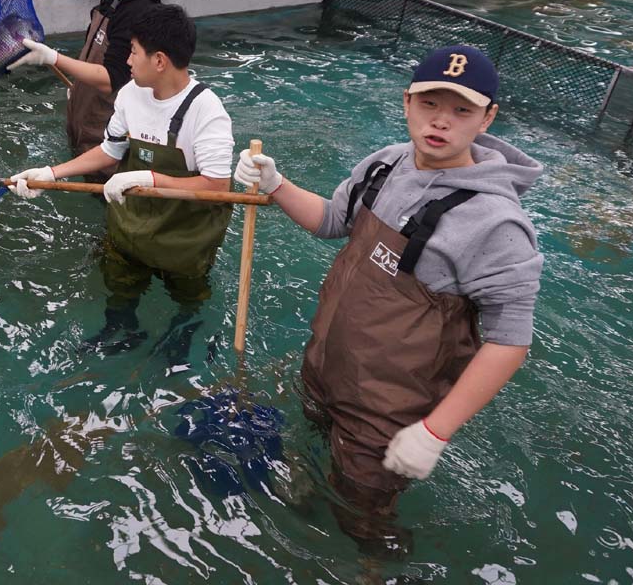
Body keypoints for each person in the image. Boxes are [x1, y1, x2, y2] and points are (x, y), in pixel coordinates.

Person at [233, 45, 543, 544]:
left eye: (462, 110)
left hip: (388, 412)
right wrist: (276, 184)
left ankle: (375, 568)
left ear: (488, 118)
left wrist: (435, 431)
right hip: (326, 367)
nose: (441, 121)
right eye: (429, 104)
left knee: (363, 516)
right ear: (406, 103)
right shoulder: (384, 165)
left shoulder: (496, 223)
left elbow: (509, 341)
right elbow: (333, 221)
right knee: (311, 443)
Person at [11, 4, 234, 368]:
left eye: (133, 51)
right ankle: (122, 327)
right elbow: (110, 151)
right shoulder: (131, 93)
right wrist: (52, 173)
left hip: (184, 237)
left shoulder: (206, 111)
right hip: (131, 227)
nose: (127, 61)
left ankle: (183, 332)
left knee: (187, 294)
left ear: (159, 60)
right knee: (119, 280)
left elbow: (218, 186)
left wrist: (149, 177)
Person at [7, 0, 162, 182]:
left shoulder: (140, 12)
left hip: (110, 151)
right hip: (85, 134)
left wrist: (53, 58)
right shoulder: (110, 0)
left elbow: (112, 79)